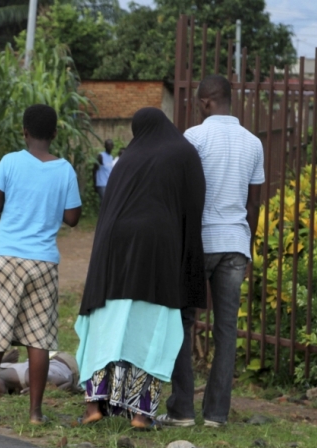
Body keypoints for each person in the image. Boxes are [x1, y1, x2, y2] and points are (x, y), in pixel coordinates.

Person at [75, 107, 206, 429]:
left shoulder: (126, 160)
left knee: (108, 322)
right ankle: (140, 413)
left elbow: (107, 212)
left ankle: (94, 405)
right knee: (152, 324)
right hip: (157, 250)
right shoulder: (182, 152)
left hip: (114, 252)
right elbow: (194, 204)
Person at [160, 75, 265, 428]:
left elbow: (184, 193)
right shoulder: (253, 143)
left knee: (182, 321)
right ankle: (217, 415)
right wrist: (246, 245)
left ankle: (183, 410)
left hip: (200, 242)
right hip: (236, 245)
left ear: (206, 102)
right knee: (226, 330)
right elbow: (253, 204)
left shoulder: (194, 137)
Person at [0, 104, 82, 426]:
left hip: (4, 258)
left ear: (24, 132)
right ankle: (35, 413)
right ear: (55, 134)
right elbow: (73, 218)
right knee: (39, 339)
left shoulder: (10, 162)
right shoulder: (64, 170)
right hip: (42, 262)